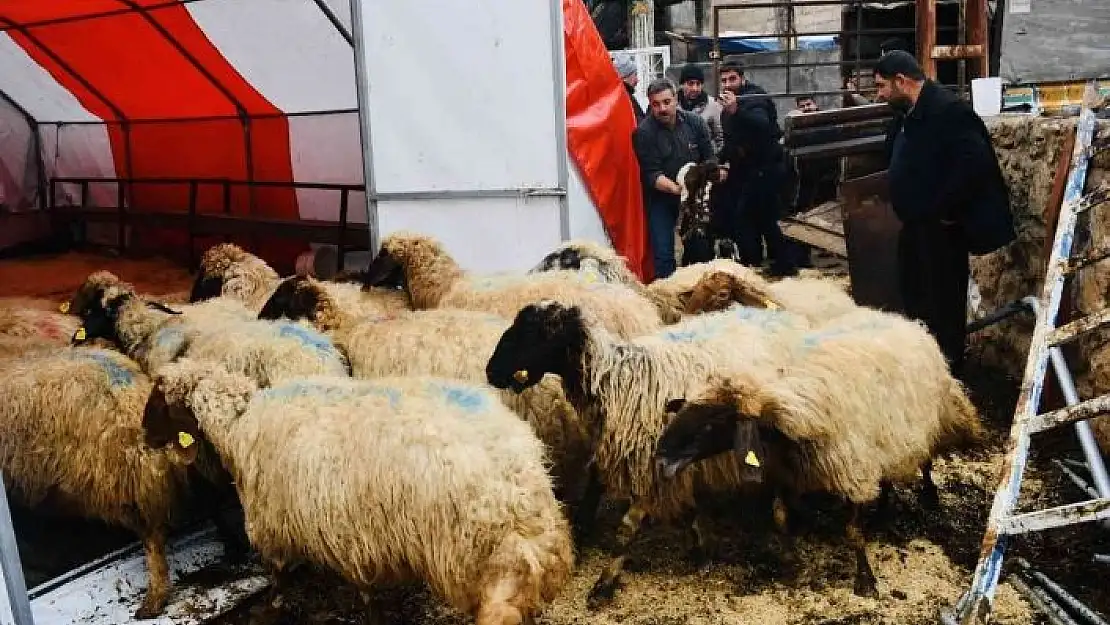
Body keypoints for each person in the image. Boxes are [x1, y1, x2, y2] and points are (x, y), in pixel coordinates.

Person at [874, 50, 1014, 375]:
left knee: (942, 307)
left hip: (940, 229)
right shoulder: (907, 114)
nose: (878, 94)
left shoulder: (949, 111)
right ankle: (926, 367)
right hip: (915, 225)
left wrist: (944, 210)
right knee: (915, 297)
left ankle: (949, 375)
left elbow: (973, 165)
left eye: (881, 86)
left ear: (901, 81)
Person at [715, 60, 797, 276]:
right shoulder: (728, 107)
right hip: (746, 170)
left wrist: (736, 109)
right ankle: (763, 263)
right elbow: (732, 140)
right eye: (724, 80)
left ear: (742, 78)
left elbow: (762, 125)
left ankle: (779, 265)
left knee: (760, 219)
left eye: (732, 79)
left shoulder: (754, 97)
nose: (728, 84)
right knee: (753, 219)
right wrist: (719, 160)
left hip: (766, 167)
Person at [633, 78, 718, 279]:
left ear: (676, 99)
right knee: (663, 253)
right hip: (662, 197)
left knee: (700, 248)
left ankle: (699, 290)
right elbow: (651, 174)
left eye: (666, 102)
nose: (662, 108)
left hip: (694, 196)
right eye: (655, 104)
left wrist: (705, 179)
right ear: (650, 104)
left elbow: (710, 158)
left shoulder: (695, 123)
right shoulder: (643, 133)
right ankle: (668, 297)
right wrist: (677, 189)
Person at [677, 64, 724, 153]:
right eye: (690, 83)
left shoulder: (713, 105)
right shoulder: (674, 105)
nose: (695, 88)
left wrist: (715, 159)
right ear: (682, 84)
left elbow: (720, 137)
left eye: (698, 84)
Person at [614, 55, 646, 122]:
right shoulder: (624, 98)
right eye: (635, 75)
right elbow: (639, 124)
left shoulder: (620, 95)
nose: (637, 80)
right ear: (625, 77)